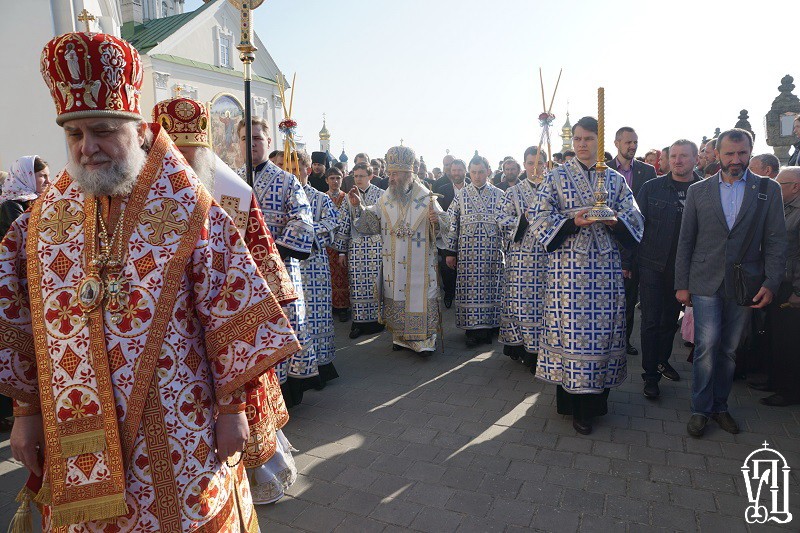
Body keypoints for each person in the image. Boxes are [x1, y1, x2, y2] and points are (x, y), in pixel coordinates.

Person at [0, 30, 301, 531]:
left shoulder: (190, 211)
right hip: (75, 438)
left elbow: (231, 310)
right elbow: (20, 318)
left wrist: (233, 410)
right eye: (74, 135)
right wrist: (27, 412)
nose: (87, 148)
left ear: (138, 129)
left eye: (102, 131)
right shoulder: (39, 225)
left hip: (182, 428)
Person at [153, 95, 300, 503]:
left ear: (204, 153)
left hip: (230, 320)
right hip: (172, 335)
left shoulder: (234, 193)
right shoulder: (141, 199)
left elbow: (262, 261)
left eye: (189, 155)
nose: (180, 164)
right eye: (172, 153)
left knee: (240, 407)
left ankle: (252, 478)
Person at [530, 116, 644, 435]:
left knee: (601, 336)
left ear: (600, 141)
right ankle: (571, 404)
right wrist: (572, 222)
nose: (582, 144)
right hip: (567, 272)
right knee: (571, 335)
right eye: (578, 138)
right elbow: (537, 215)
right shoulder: (556, 176)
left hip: (604, 272)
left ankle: (593, 406)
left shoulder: (615, 180)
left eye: (589, 138)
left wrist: (613, 220)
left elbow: (635, 220)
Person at [675, 128, 787, 437]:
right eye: (729, 153)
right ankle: (700, 409)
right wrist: (682, 283)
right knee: (707, 346)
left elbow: (776, 240)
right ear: (717, 154)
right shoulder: (699, 191)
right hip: (705, 280)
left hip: (745, 283)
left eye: (742, 153)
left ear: (751, 151)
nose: (735, 160)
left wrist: (772, 282)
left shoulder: (768, 189)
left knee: (729, 350)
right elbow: (686, 240)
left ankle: (720, 406)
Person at [237, 117, 316, 407]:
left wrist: (272, 252)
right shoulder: (231, 180)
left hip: (279, 268)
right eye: (245, 138)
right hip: (241, 273)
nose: (251, 144)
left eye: (257, 138)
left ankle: (286, 394)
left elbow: (302, 221)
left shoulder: (287, 180)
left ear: (268, 142)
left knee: (284, 326)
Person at [347, 145, 449, 354]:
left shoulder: (426, 197)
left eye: (395, 174)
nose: (391, 178)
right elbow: (372, 221)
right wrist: (359, 206)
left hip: (421, 265)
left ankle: (424, 340)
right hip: (393, 264)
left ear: (407, 174)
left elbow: (444, 226)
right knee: (397, 294)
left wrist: (436, 221)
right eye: (390, 173)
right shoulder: (386, 198)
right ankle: (400, 337)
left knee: (422, 297)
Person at [635, 140, 703, 398]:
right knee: (651, 321)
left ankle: (662, 361)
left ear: (696, 159)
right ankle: (650, 375)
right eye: (673, 156)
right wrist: (628, 263)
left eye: (683, 156)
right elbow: (635, 226)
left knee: (669, 322)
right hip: (652, 264)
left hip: (683, 269)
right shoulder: (652, 187)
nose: (677, 161)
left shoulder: (705, 190)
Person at [444, 154, 505, 347]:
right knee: (470, 291)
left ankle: (490, 327)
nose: (477, 176)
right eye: (473, 172)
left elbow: (506, 224)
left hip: (492, 252)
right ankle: (472, 330)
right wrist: (450, 252)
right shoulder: (461, 195)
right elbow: (452, 224)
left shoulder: (499, 194)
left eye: (480, 172)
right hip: (467, 254)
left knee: (490, 289)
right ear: (469, 173)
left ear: (488, 171)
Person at [608, 127, 658, 357]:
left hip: (637, 245)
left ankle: (624, 340)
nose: (632, 146)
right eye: (628, 142)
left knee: (629, 298)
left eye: (635, 142)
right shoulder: (603, 169)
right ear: (617, 143)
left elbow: (649, 211)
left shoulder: (647, 171)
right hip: (609, 243)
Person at [498, 146, 548, 368]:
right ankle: (527, 350)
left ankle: (546, 351)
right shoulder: (513, 192)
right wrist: (524, 219)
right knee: (523, 306)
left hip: (549, 259)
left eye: (539, 163)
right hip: (521, 260)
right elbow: (502, 219)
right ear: (524, 165)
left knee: (546, 306)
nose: (535, 168)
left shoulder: (553, 189)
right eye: (530, 163)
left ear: (545, 165)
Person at [295, 153, 340, 386]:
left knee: (316, 316)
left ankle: (319, 368)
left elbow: (332, 224)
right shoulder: (279, 195)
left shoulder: (320, 198)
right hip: (288, 266)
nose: (293, 172)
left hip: (314, 267)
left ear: (308, 170)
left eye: (297, 168)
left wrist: (302, 235)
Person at [760, 167, 800, 406]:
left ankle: (789, 390)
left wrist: (798, 291)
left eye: (780, 184)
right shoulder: (783, 208)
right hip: (778, 281)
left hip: (792, 287)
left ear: (795, 186)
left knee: (789, 341)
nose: (775, 187)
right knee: (775, 336)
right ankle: (775, 381)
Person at [334, 162, 385, 339]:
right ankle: (358, 322)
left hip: (376, 246)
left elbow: (384, 222)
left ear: (370, 176)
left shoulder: (381, 195)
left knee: (376, 284)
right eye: (355, 176)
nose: (358, 179)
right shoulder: (348, 197)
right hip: (356, 246)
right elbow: (344, 222)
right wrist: (342, 251)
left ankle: (378, 320)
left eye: (361, 176)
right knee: (357, 285)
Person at [435, 159, 468, 308]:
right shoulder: (442, 190)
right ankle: (449, 293)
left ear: (465, 171)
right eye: (454, 170)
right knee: (447, 267)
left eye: (459, 170)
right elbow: (439, 212)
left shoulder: (471, 188)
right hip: (447, 235)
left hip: (467, 236)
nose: (456, 173)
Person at [0, 156, 50, 238]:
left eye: (48, 176)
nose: (48, 181)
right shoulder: (11, 206)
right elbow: (22, 238)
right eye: (42, 176)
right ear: (26, 177)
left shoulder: (47, 199)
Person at [326, 168, 351, 322]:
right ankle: (331, 306)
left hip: (344, 244)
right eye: (332, 178)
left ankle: (342, 307)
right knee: (328, 276)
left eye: (338, 178)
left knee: (342, 275)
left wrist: (342, 250)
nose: (335, 181)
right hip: (326, 245)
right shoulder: (322, 197)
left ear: (342, 179)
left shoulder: (347, 198)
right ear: (326, 180)